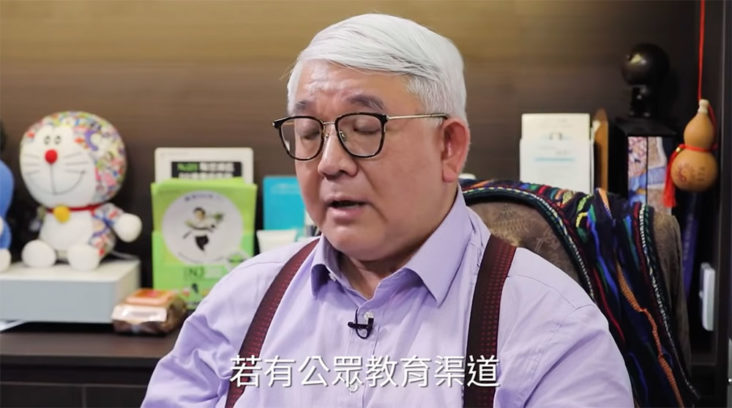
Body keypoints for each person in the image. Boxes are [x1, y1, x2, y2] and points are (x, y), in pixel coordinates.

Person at [143, 13, 632, 407]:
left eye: (363, 129)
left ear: (448, 147)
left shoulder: (554, 330)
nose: (329, 163)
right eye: (310, 133)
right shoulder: (242, 302)